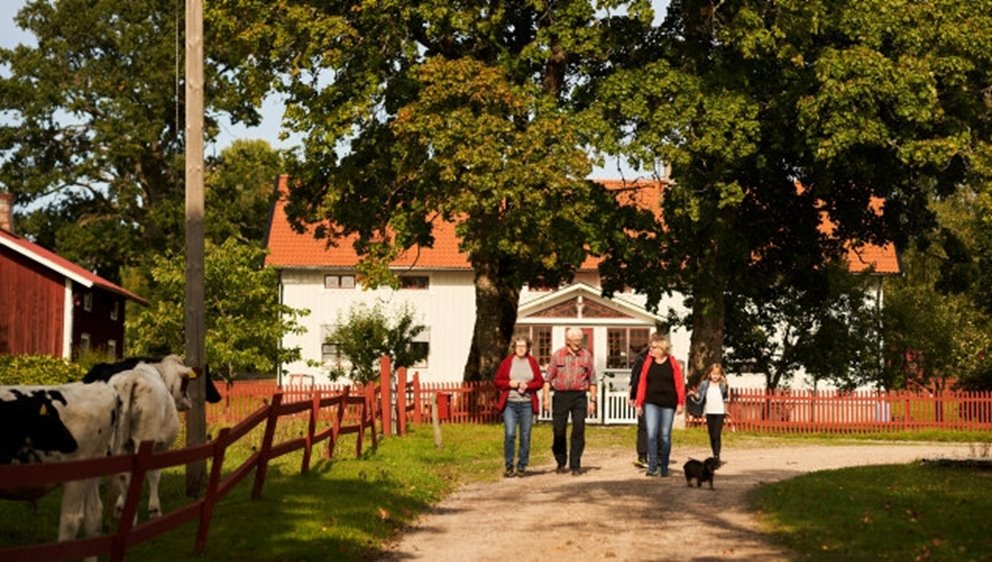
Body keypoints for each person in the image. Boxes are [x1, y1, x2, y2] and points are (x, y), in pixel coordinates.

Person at [542, 327, 597, 475]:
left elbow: (592, 380)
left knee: (578, 429)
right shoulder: (557, 355)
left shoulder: (586, 356)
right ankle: (560, 461)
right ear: (568, 341)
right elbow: (548, 379)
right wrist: (546, 398)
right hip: (561, 396)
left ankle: (575, 464)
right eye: (574, 341)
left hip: (579, 396)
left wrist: (592, 401)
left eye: (579, 341)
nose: (577, 344)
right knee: (559, 431)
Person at [634, 333, 685, 477]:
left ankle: (664, 466)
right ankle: (652, 467)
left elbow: (679, 384)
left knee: (665, 436)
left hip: (668, 404)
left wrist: (680, 402)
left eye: (655, 347)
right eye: (651, 347)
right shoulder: (648, 362)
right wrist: (639, 403)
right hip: (651, 403)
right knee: (651, 434)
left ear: (663, 348)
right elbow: (642, 383)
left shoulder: (672, 362)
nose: (652, 349)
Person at [494, 335, 545, 477]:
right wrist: (508, 384)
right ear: (514, 348)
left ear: (528, 348)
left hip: (527, 404)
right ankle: (509, 465)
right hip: (510, 403)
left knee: (525, 435)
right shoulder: (507, 362)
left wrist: (528, 385)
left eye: (524, 346)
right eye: (518, 346)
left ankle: (522, 465)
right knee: (510, 434)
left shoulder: (532, 362)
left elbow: (540, 382)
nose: (521, 349)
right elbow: (498, 381)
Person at [628, 341, 662, 468]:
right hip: (643, 397)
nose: (653, 350)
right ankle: (642, 456)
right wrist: (632, 395)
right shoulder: (641, 359)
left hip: (660, 398)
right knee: (643, 426)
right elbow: (634, 378)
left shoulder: (666, 361)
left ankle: (659, 457)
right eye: (652, 347)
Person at [688, 363, 730, 462]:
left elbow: (725, 398)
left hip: (719, 412)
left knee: (717, 434)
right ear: (709, 374)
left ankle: (716, 455)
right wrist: (693, 394)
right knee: (711, 434)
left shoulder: (723, 385)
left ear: (721, 375)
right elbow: (700, 396)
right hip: (709, 411)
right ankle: (714, 452)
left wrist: (726, 410)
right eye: (713, 374)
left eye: (717, 374)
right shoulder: (705, 384)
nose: (715, 376)